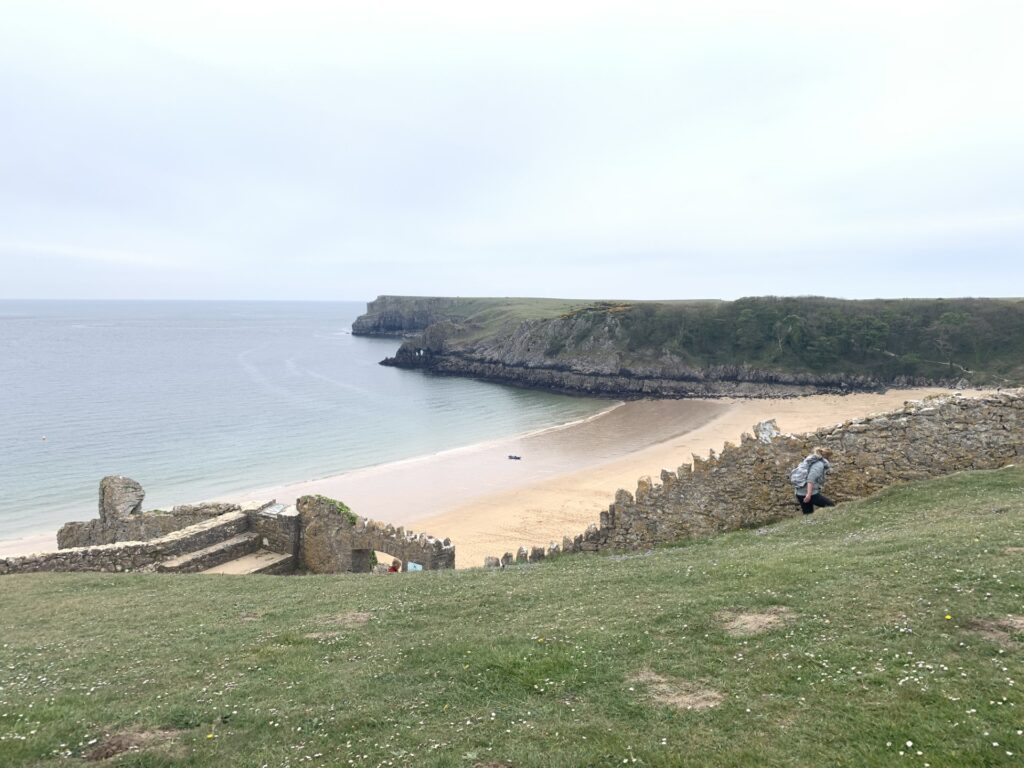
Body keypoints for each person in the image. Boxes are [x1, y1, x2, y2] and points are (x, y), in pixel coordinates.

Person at [795, 446, 835, 515]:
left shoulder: (812, 460)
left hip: (800, 493)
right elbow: (810, 479)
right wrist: (808, 495)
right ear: (827, 457)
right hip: (809, 493)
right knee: (831, 506)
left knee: (808, 514)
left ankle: (810, 525)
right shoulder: (819, 464)